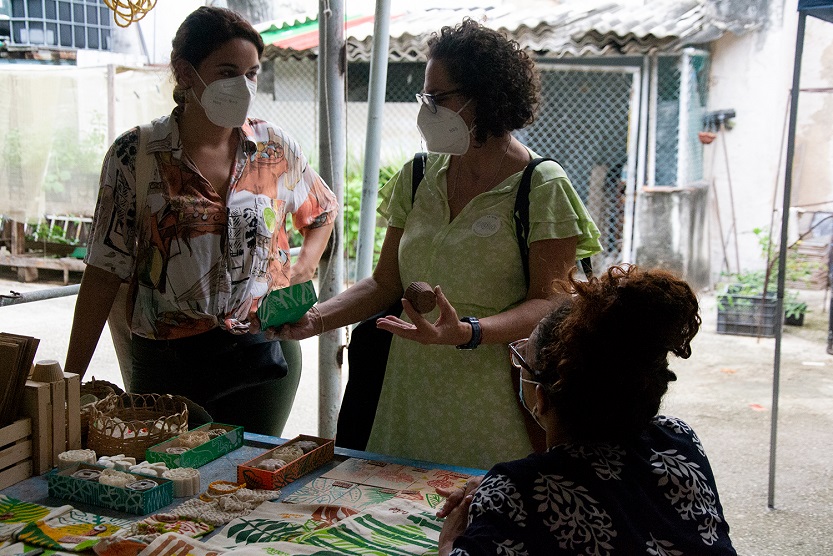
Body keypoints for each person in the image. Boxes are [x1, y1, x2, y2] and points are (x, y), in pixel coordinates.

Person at [276, 19, 601, 469]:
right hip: (407, 393)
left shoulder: (541, 186)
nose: (426, 111)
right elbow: (384, 284)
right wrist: (315, 319)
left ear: (484, 97)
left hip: (493, 402)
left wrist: (468, 332)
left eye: (437, 98)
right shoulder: (416, 177)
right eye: (423, 98)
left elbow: (551, 302)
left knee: (477, 508)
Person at [64, 6, 338, 436]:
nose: (243, 86)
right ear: (185, 72)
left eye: (251, 73)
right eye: (228, 72)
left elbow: (322, 212)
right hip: (169, 363)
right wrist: (69, 382)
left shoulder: (274, 148)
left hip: (263, 353)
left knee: (252, 470)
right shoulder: (136, 155)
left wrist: (303, 269)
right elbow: (103, 272)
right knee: (171, 471)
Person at [436, 264, 737, 555]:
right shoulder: (680, 441)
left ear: (542, 398)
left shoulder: (514, 492)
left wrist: (450, 544)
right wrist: (499, 491)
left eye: (523, 360)